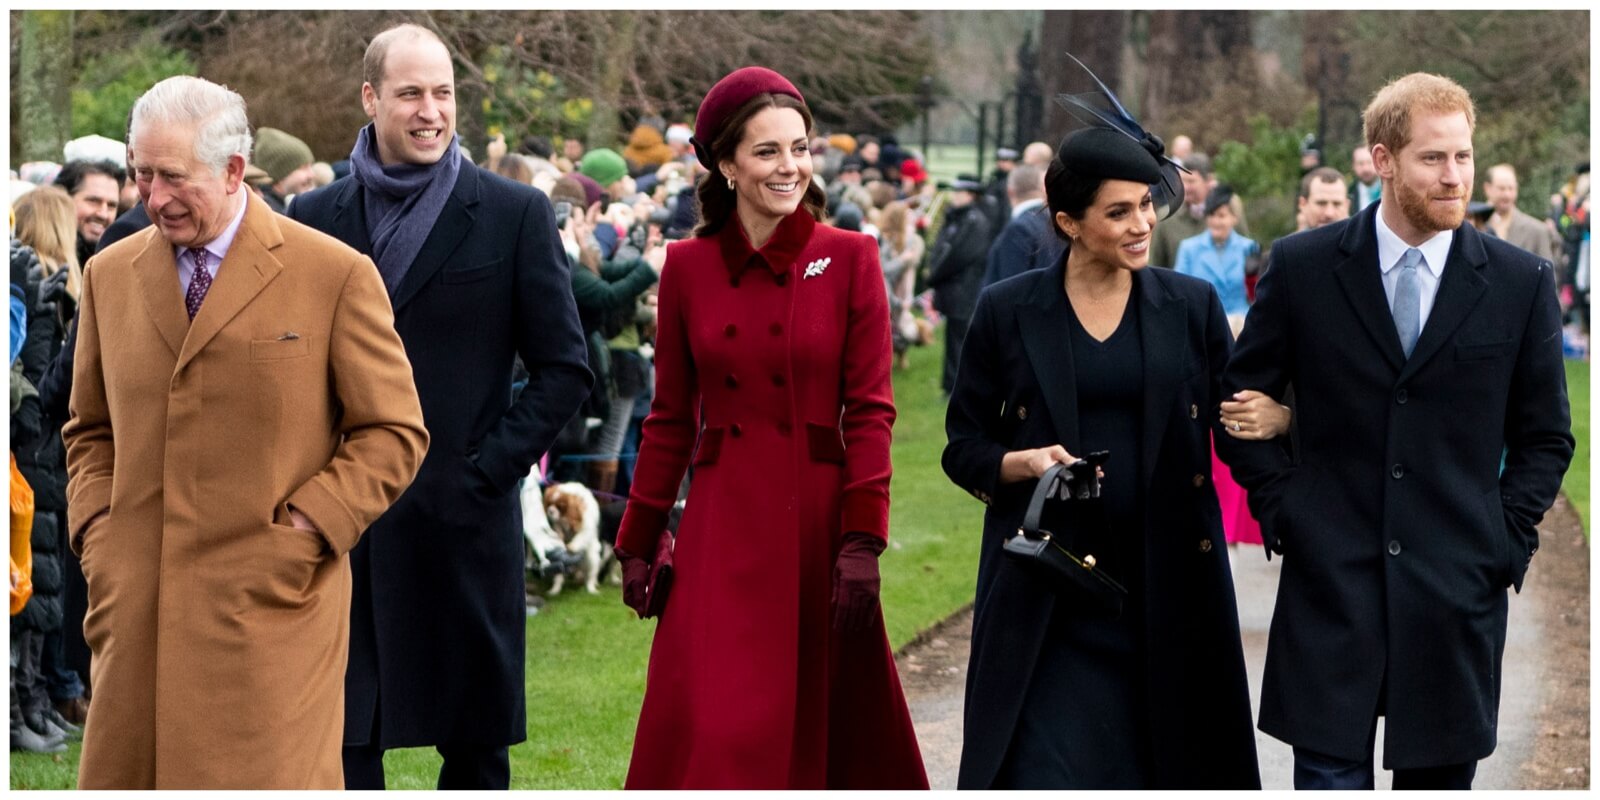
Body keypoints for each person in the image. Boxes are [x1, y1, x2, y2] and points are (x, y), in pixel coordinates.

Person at [61, 74, 429, 789]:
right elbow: (90, 427)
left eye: (173, 177)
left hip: (269, 623)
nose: (153, 197)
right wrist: (101, 535)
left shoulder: (334, 274)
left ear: (234, 170)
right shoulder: (108, 275)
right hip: (135, 619)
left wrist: (307, 528)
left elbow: (393, 430)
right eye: (142, 174)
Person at [1218, 71, 1574, 790]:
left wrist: (1503, 540)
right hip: (1330, 584)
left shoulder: (1519, 282)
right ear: (1382, 159)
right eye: (1433, 158)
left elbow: (1545, 438)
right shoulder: (1303, 267)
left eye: (1464, 157)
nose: (1455, 177)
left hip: (1455, 592)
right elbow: (1238, 405)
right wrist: (1289, 508)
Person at [943, 62, 1277, 788]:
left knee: (1166, 764)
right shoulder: (1008, 309)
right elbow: (963, 446)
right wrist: (1023, 464)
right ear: (1069, 223)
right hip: (1050, 588)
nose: (1142, 224)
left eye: (1146, 206)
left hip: (1170, 585)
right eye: (1118, 212)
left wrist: (1282, 438)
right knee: (1046, 769)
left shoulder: (1188, 306)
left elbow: (1233, 423)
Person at [287, 24, 592, 790]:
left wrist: (483, 471)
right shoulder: (314, 219)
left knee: (476, 746)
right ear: (371, 98)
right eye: (412, 93)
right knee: (343, 743)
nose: (432, 111)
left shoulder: (513, 212)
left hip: (464, 528)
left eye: (444, 93)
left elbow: (565, 368)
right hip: (347, 532)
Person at [612, 66, 927, 790]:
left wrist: (862, 540)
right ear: (725, 164)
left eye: (801, 148)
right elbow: (668, 420)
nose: (791, 167)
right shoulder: (687, 268)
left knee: (821, 732)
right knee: (717, 729)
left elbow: (871, 410)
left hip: (816, 524)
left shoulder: (851, 257)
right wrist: (637, 540)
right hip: (722, 525)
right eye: (768, 151)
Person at [927, 176, 993, 395]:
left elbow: (958, 255)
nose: (955, 196)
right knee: (953, 338)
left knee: (959, 340)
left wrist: (934, 275)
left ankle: (957, 387)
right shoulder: (959, 217)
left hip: (964, 289)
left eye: (960, 193)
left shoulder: (975, 221)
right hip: (955, 288)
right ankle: (950, 384)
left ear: (971, 195)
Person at [1174, 185, 1258, 321]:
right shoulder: (1188, 248)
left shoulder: (1249, 248)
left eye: (1221, 216)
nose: (1215, 221)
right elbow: (1179, 292)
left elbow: (1257, 297)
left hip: (1241, 327)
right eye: (1211, 215)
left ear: (1235, 218)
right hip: (1202, 325)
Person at [982, 162, 1067, 287]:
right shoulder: (1054, 222)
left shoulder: (1019, 229)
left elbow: (1010, 287)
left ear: (1010, 191)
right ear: (1041, 189)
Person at [52, 160, 124, 267]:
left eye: (111, 205)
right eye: (93, 201)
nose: (103, 214)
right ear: (64, 200)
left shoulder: (116, 261)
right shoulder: (39, 259)